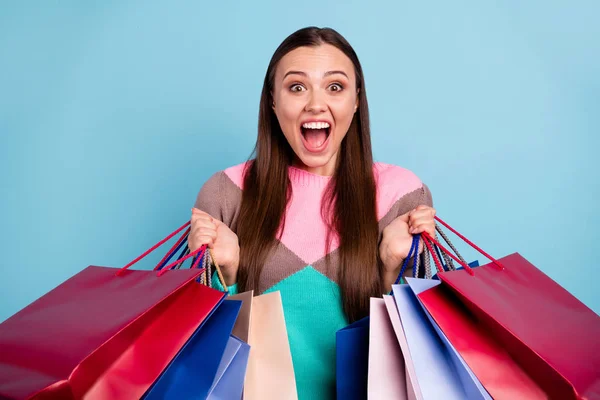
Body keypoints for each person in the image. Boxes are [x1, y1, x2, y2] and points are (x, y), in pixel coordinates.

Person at [189, 26, 436, 399]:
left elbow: (422, 362)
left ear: (356, 101)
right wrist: (226, 276)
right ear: (273, 101)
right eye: (297, 87)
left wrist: (391, 272)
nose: (316, 104)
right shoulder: (227, 192)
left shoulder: (400, 194)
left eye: (335, 87)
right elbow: (195, 355)